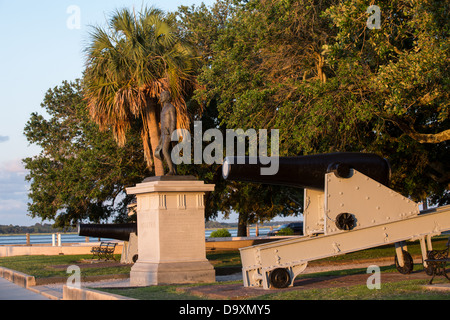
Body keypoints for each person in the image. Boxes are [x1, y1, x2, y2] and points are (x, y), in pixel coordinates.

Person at [155, 90, 177, 175]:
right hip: (164, 133)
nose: (161, 97)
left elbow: (173, 121)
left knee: (165, 151)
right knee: (169, 152)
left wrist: (172, 134)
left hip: (169, 133)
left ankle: (171, 170)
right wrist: (160, 139)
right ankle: (174, 171)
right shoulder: (163, 109)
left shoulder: (171, 107)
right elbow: (163, 124)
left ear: (167, 97)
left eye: (163, 96)